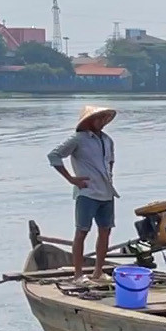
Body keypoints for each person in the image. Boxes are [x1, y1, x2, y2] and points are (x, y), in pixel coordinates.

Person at [47, 105, 119, 282]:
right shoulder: (78, 139)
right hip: (87, 192)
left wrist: (109, 176)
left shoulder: (108, 140)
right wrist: (72, 179)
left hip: (107, 193)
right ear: (89, 121)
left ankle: (98, 272)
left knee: (105, 231)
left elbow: (110, 162)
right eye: (98, 118)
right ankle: (78, 274)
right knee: (82, 232)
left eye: (104, 118)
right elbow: (54, 156)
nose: (101, 122)